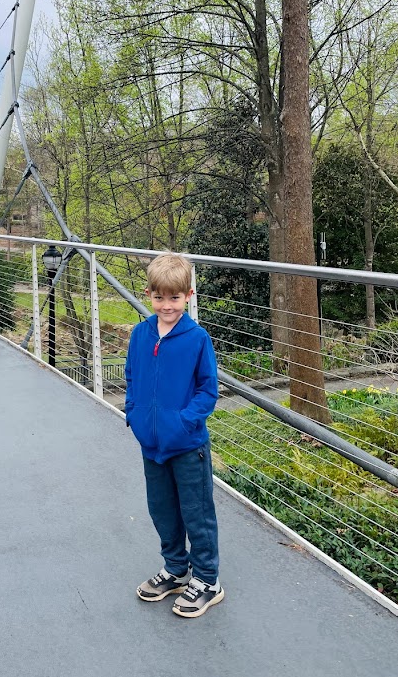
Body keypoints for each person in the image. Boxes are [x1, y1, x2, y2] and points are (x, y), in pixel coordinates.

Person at [124, 252, 223, 618]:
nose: (166, 306)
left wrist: (184, 422)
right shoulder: (140, 333)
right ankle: (176, 569)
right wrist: (132, 413)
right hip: (151, 445)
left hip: (186, 445)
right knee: (162, 509)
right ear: (149, 294)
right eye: (159, 297)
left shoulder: (197, 339)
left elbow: (208, 390)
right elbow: (132, 376)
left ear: (189, 296)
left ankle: (208, 580)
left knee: (196, 511)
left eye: (175, 298)